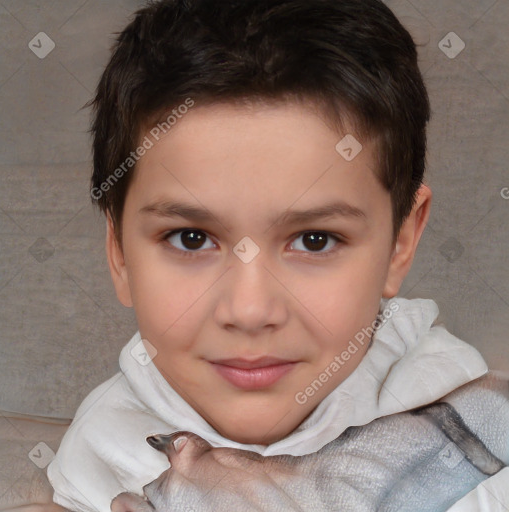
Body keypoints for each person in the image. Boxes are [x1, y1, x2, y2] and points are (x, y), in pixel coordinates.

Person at [46, 0, 509, 510]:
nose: (249, 311)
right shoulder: (101, 452)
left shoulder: (463, 428)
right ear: (119, 253)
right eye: (191, 239)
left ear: (401, 242)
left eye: (315, 240)